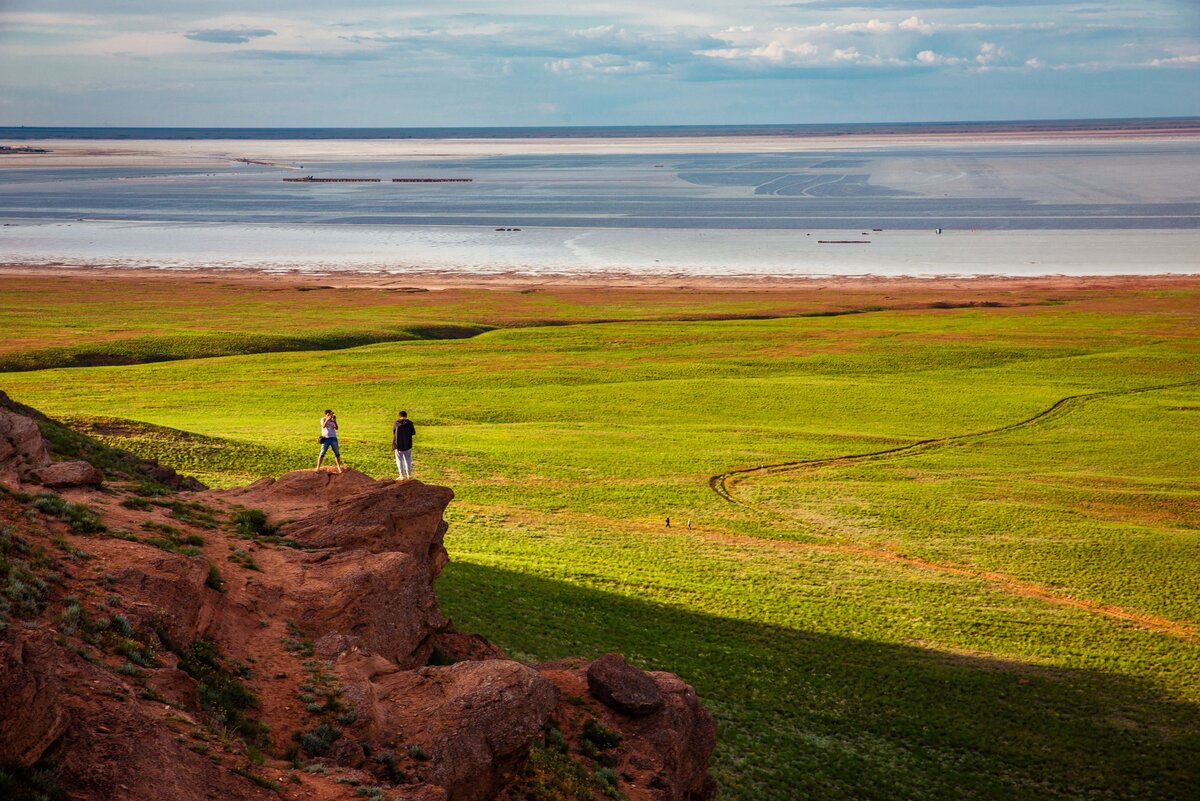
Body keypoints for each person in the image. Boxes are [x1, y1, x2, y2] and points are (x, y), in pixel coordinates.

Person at [392, 410, 416, 479]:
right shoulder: (410, 423)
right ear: (406, 416)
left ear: (399, 416)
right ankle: (409, 475)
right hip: (408, 444)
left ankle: (401, 475)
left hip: (398, 444)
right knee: (408, 459)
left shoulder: (396, 423)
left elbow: (394, 432)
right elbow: (413, 433)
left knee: (399, 460)